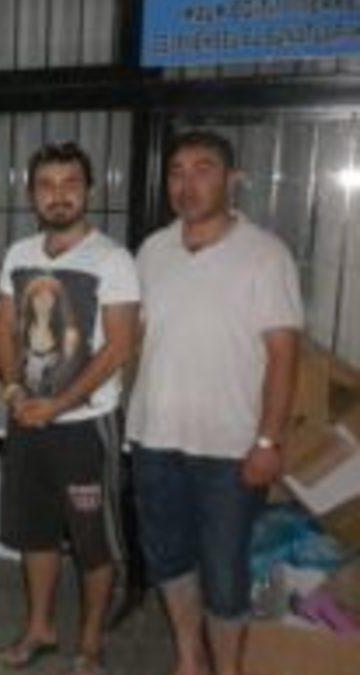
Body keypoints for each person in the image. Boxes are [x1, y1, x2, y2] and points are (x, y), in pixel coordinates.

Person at [127, 131, 302, 675]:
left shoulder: (265, 254)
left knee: (225, 575)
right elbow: (136, 340)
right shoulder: (152, 250)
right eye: (177, 172)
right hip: (155, 438)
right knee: (168, 560)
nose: (187, 184)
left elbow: (284, 356)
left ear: (232, 179)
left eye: (203, 170)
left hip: (230, 449)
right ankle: (188, 659)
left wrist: (268, 441)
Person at [0, 143, 140, 675]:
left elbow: (118, 347)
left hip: (85, 427)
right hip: (26, 421)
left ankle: (91, 643)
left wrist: (57, 405)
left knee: (92, 540)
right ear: (32, 193)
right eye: (47, 185)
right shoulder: (18, 254)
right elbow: (5, 330)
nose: (58, 195)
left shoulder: (113, 259)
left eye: (70, 183)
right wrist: (14, 393)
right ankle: (40, 628)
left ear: (89, 190)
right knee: (35, 533)